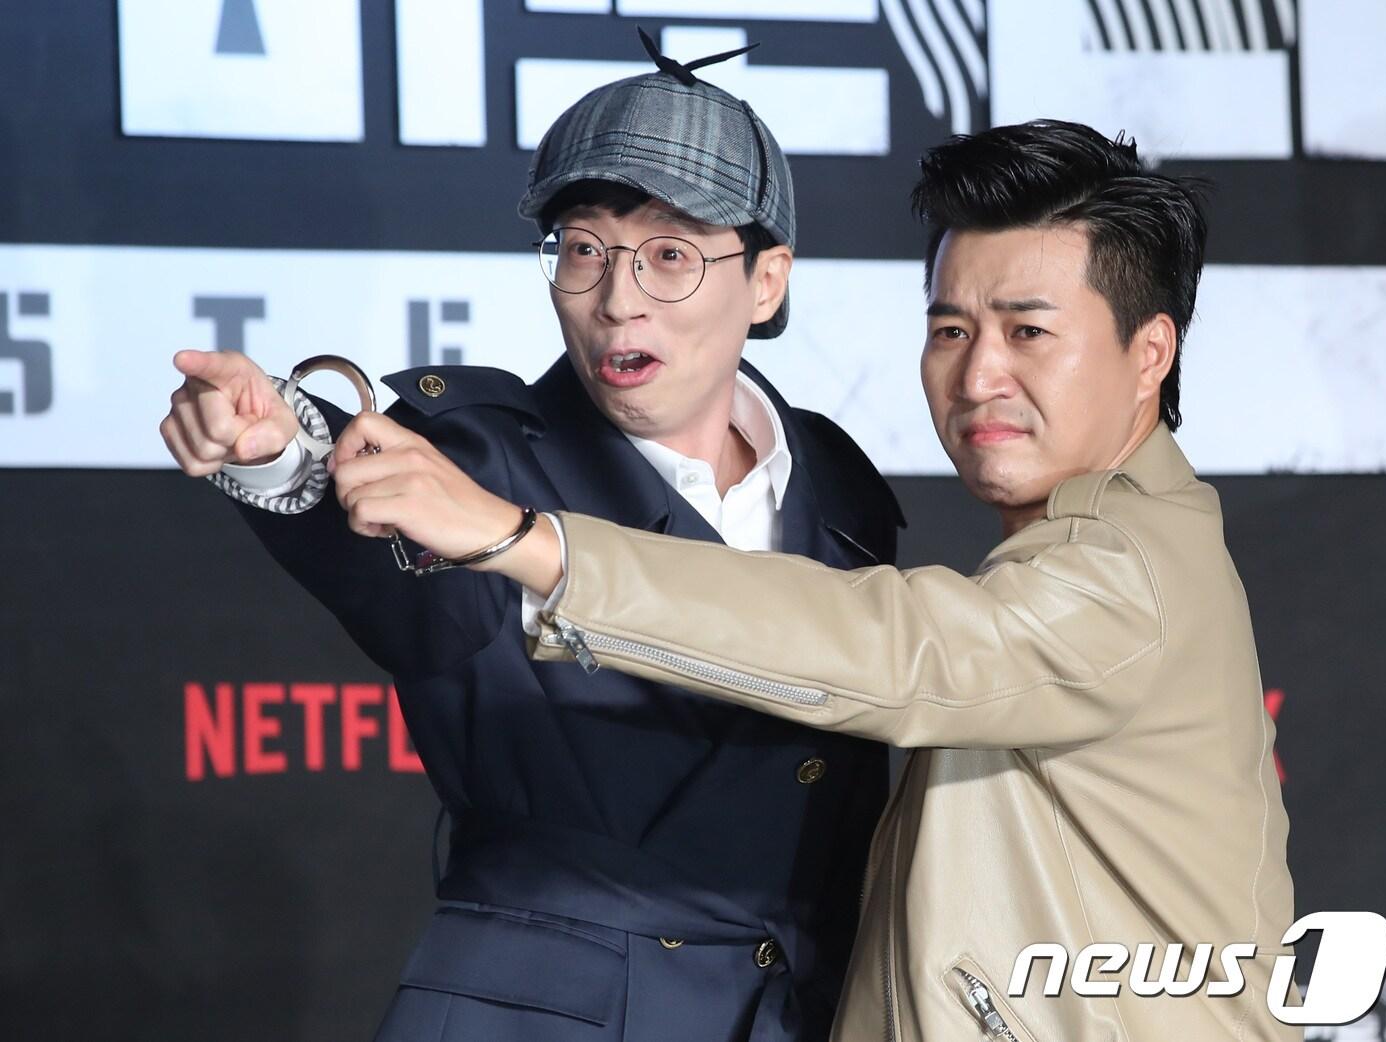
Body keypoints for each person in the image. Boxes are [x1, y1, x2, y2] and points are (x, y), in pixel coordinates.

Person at [332, 120, 1299, 1041]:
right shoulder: (1088, 545)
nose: (978, 377)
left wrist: (525, 540)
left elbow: (890, 647)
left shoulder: (1130, 572)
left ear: (1150, 353)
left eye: (1029, 333)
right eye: (951, 330)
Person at [158, 34, 902, 1042]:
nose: (617, 299)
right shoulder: (482, 459)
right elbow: (378, 523)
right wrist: (279, 448)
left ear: (765, 281)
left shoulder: (838, 481)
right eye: (583, 248)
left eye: (670, 255)